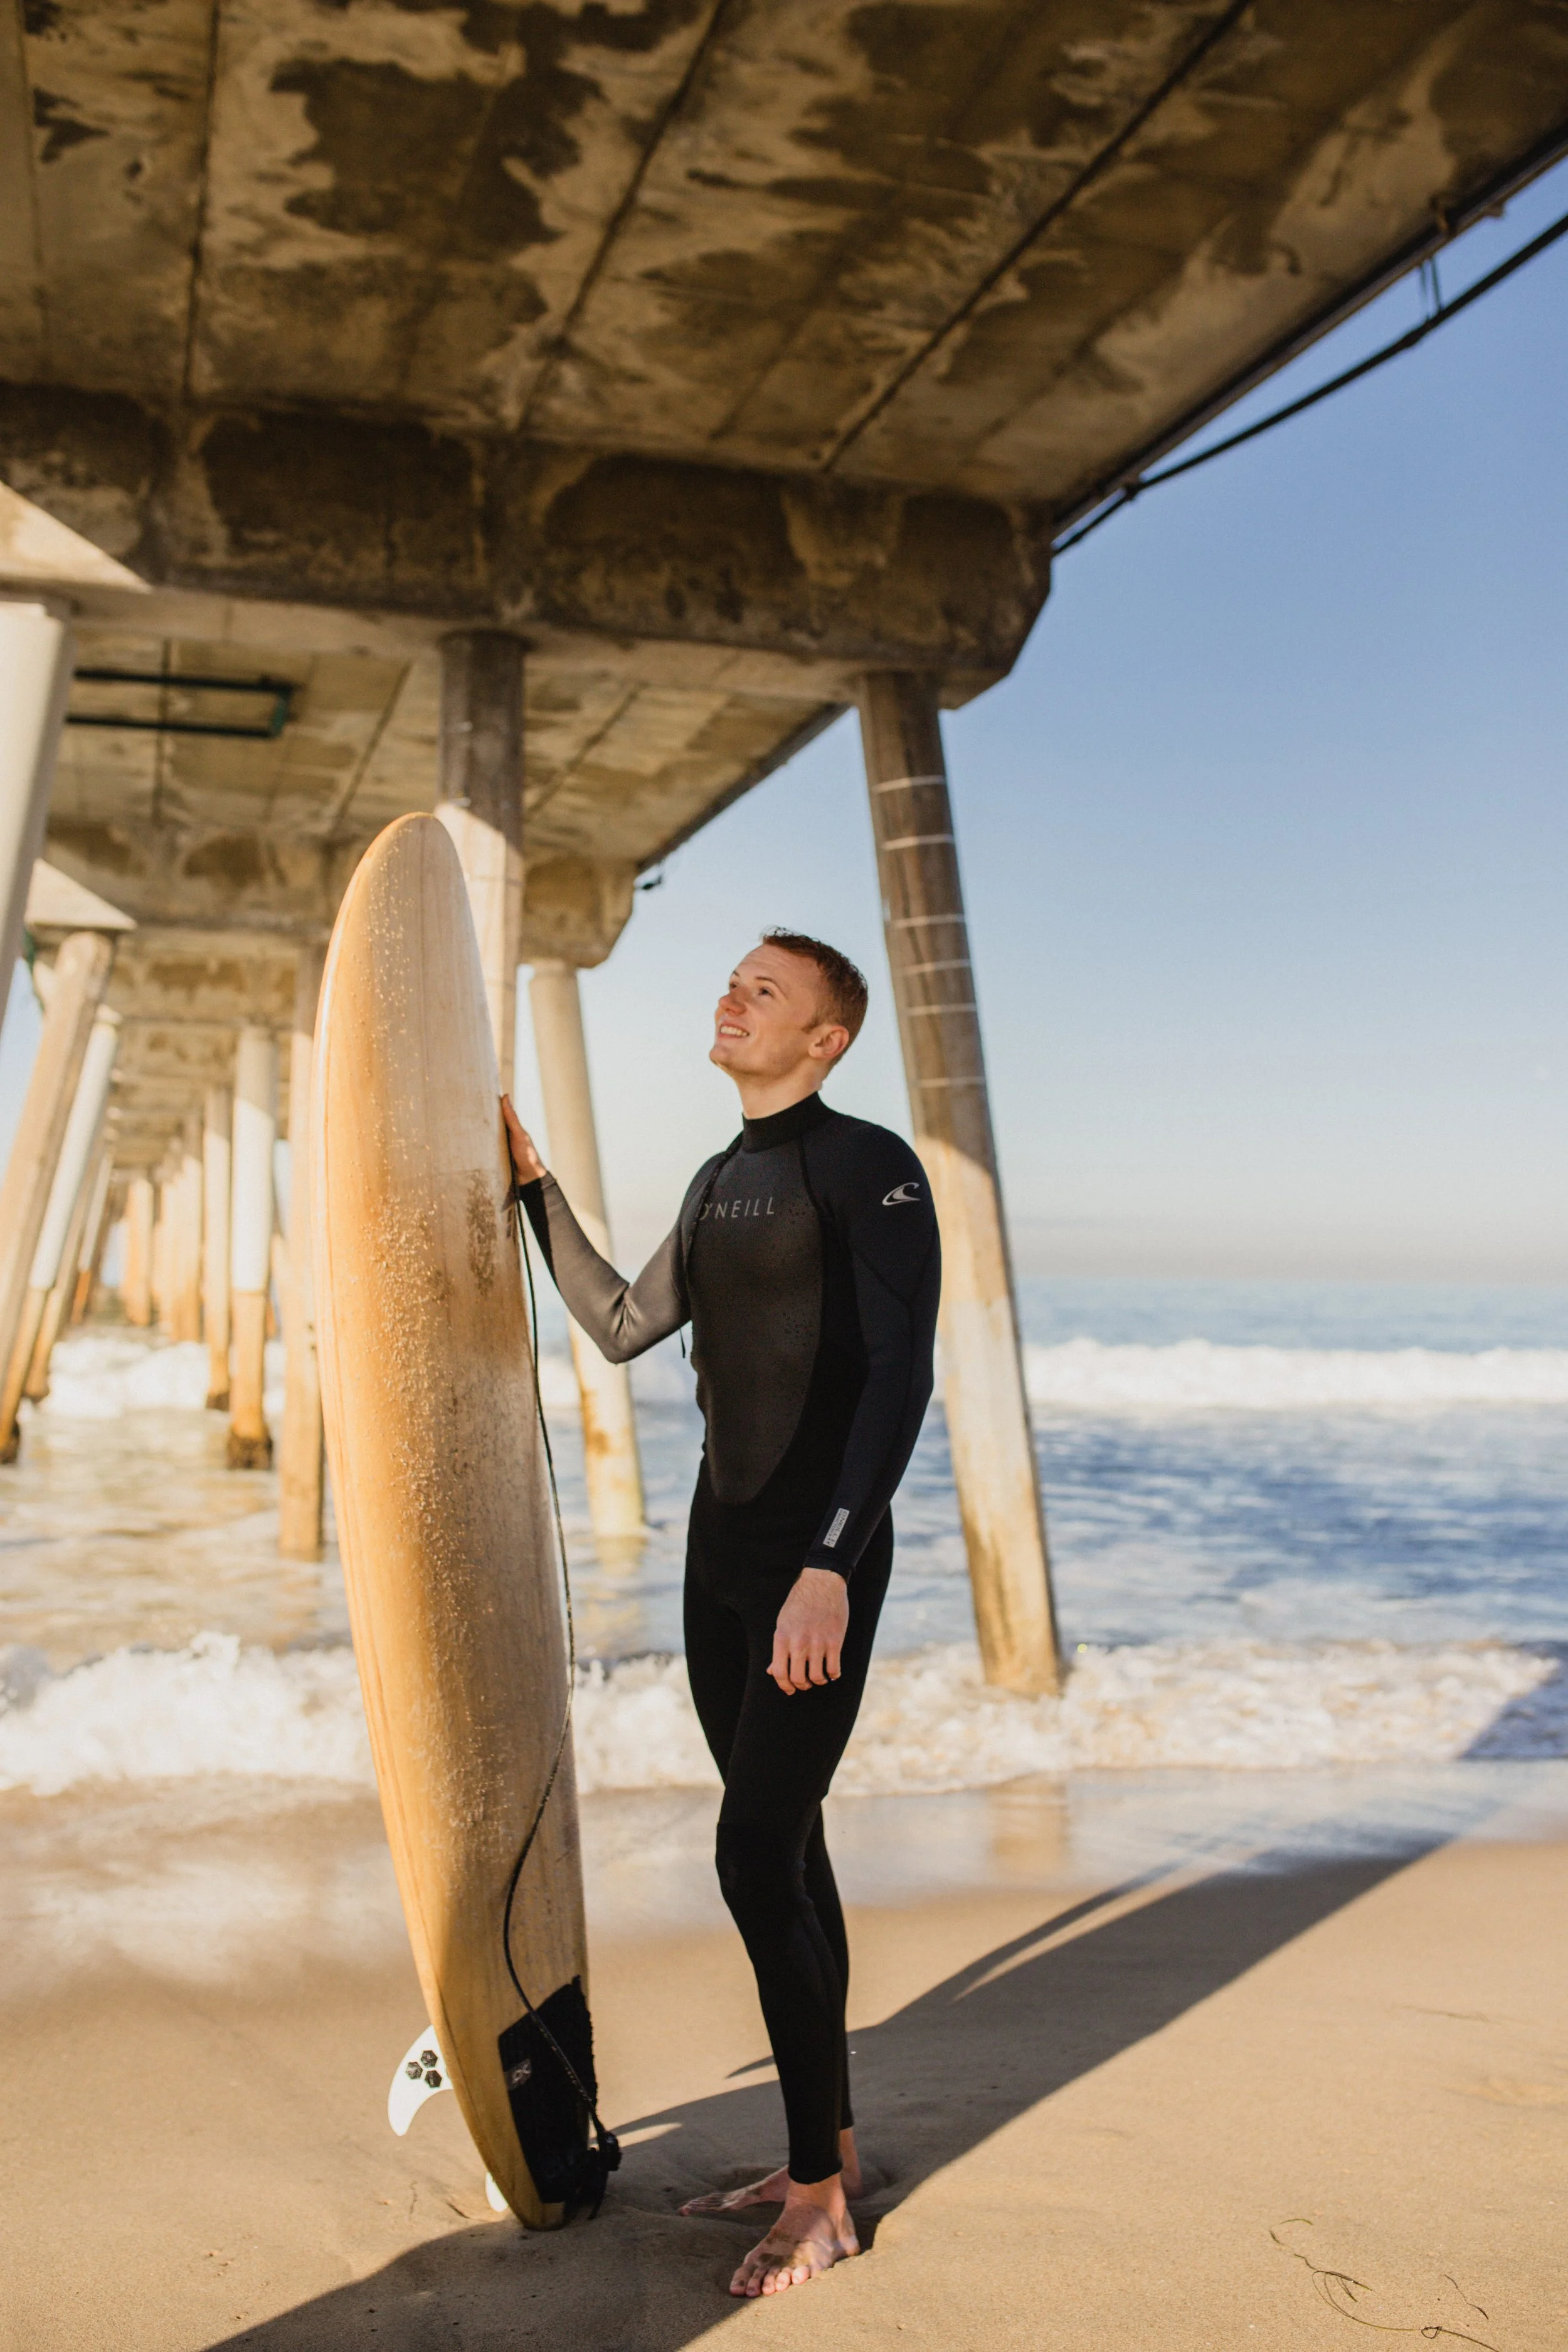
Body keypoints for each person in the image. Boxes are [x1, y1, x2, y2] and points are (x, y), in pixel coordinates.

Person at [502, 929, 939, 2297]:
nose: (732, 998)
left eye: (767, 990)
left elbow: (896, 1381)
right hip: (717, 1564)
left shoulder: (870, 1169)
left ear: (826, 1038)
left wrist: (828, 1560)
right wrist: (535, 1195)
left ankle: (818, 2194)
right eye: (732, 981)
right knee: (784, 1845)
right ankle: (832, 2148)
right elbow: (625, 1325)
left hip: (816, 1566)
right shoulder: (714, 1182)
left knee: (751, 1855)